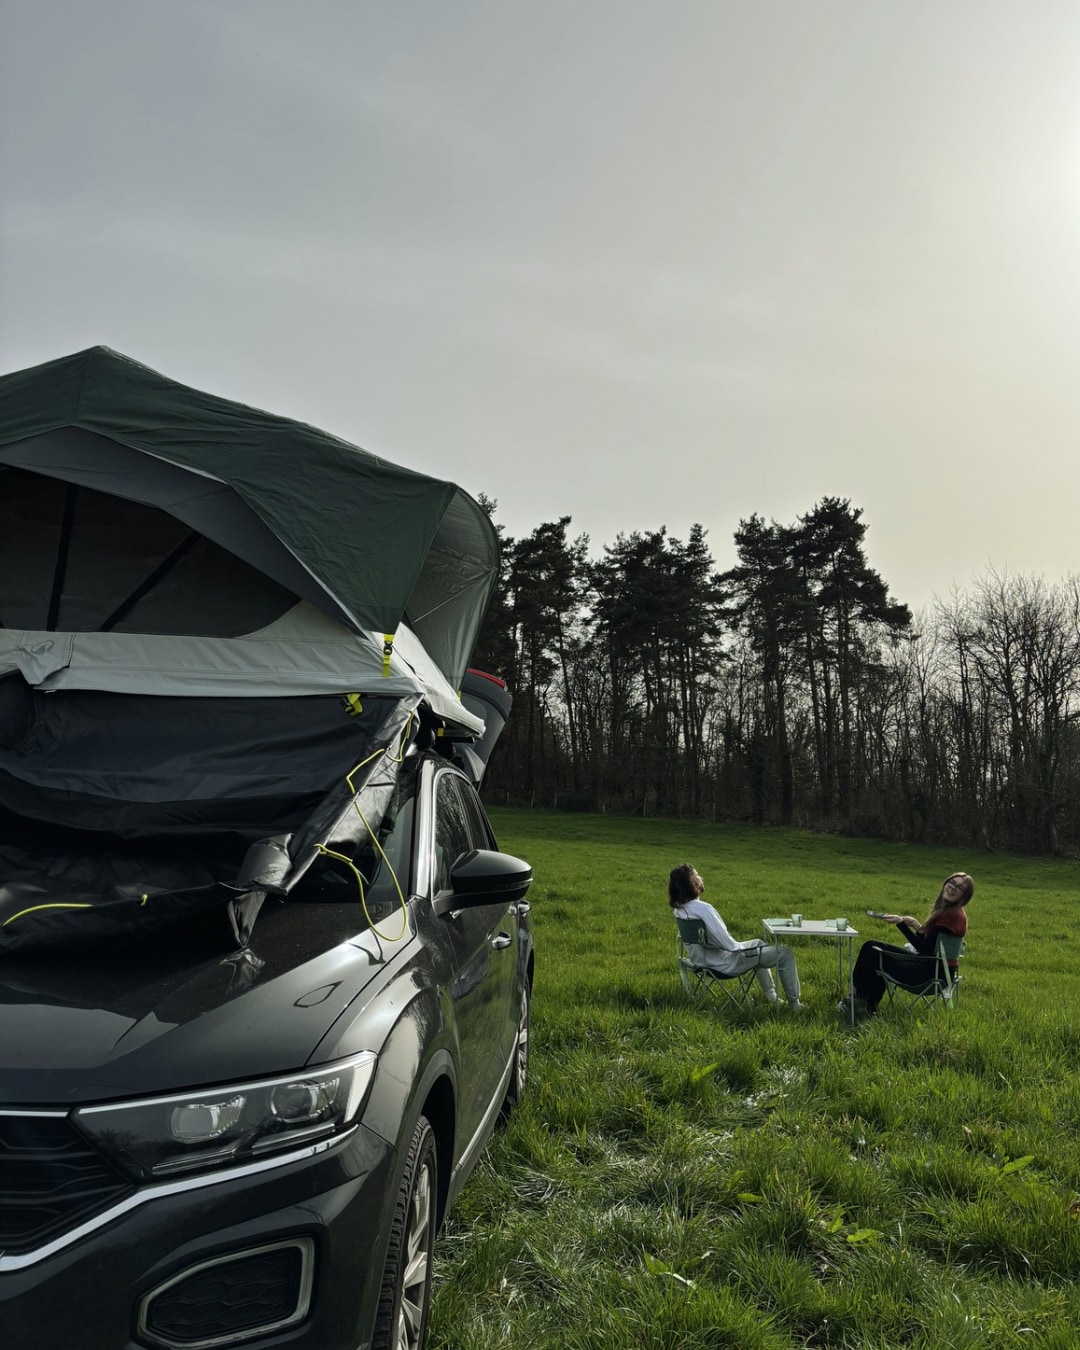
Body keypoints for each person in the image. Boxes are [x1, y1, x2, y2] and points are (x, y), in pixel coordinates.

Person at [669, 862, 805, 1009]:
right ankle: (795, 1005)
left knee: (758, 943)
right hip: (726, 964)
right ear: (692, 882)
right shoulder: (704, 909)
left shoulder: (680, 910)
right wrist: (744, 949)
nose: (701, 878)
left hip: (701, 961)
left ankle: (771, 995)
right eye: (697, 875)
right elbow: (728, 944)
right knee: (785, 954)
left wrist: (750, 948)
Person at [842, 871, 973, 1016]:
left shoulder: (952, 915)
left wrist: (901, 924)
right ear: (945, 884)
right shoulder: (949, 912)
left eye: (959, 888)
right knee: (872, 947)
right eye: (952, 882)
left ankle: (857, 1000)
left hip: (929, 974)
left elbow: (924, 948)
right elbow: (931, 945)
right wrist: (917, 926)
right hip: (931, 967)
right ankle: (863, 1003)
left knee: (874, 954)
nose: (953, 887)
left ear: (965, 896)